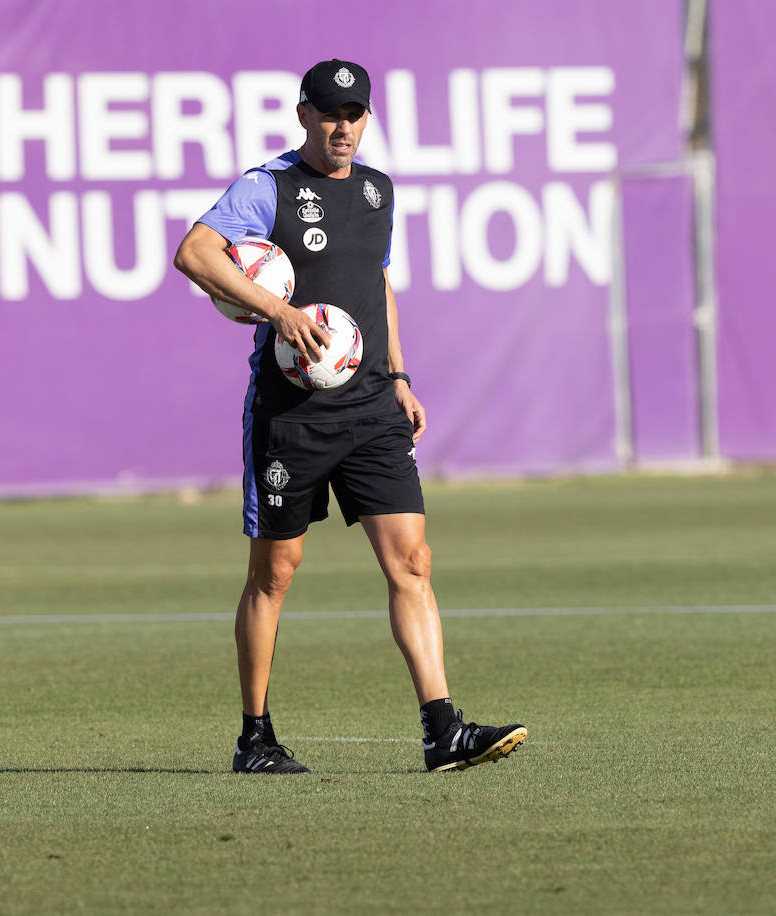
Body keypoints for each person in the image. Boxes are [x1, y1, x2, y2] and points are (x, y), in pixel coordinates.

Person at [174, 59, 526, 774]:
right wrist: (278, 310)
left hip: (371, 406)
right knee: (275, 574)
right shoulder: (265, 187)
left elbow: (378, 280)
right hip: (291, 413)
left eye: (356, 113)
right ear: (304, 114)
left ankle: (443, 730)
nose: (344, 127)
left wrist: (398, 374)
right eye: (331, 113)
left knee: (414, 562)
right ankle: (255, 737)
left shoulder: (375, 189)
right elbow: (193, 252)